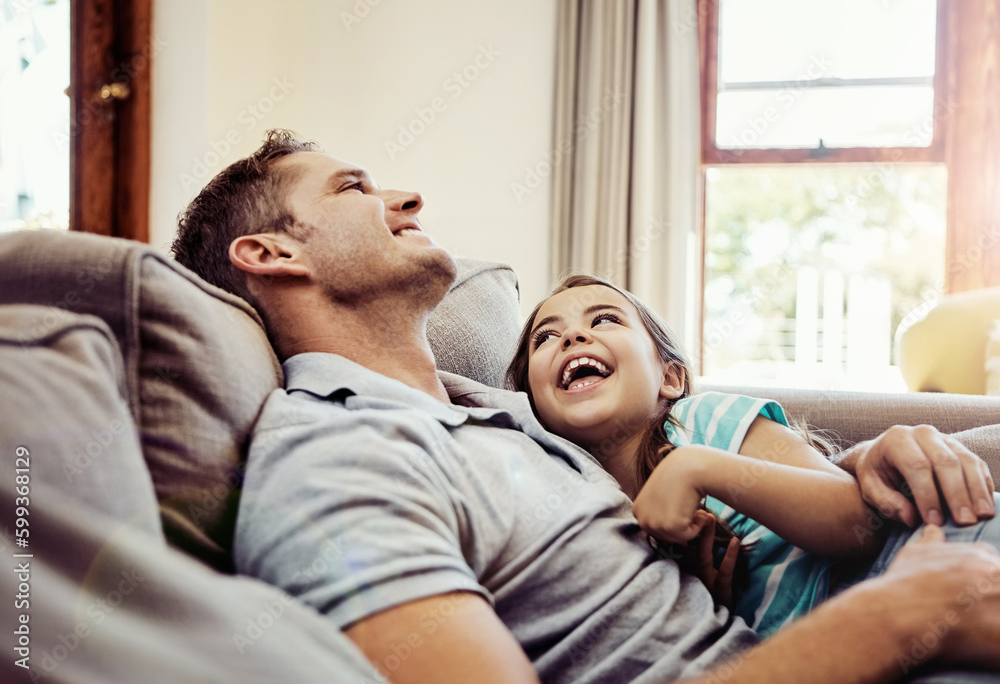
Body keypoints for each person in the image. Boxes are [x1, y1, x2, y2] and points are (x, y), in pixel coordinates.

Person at [171, 129, 1000, 683]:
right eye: (354, 188)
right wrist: (898, 619)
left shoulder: (502, 413)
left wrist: (864, 462)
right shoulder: (337, 463)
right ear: (270, 253)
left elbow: (685, 452)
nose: (409, 199)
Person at [505, 273, 999, 639]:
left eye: (605, 319)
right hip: (854, 644)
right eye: (545, 337)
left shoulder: (701, 422)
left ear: (670, 379)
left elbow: (856, 521)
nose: (571, 337)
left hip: (937, 547)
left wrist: (698, 467)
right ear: (529, 403)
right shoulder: (574, 500)